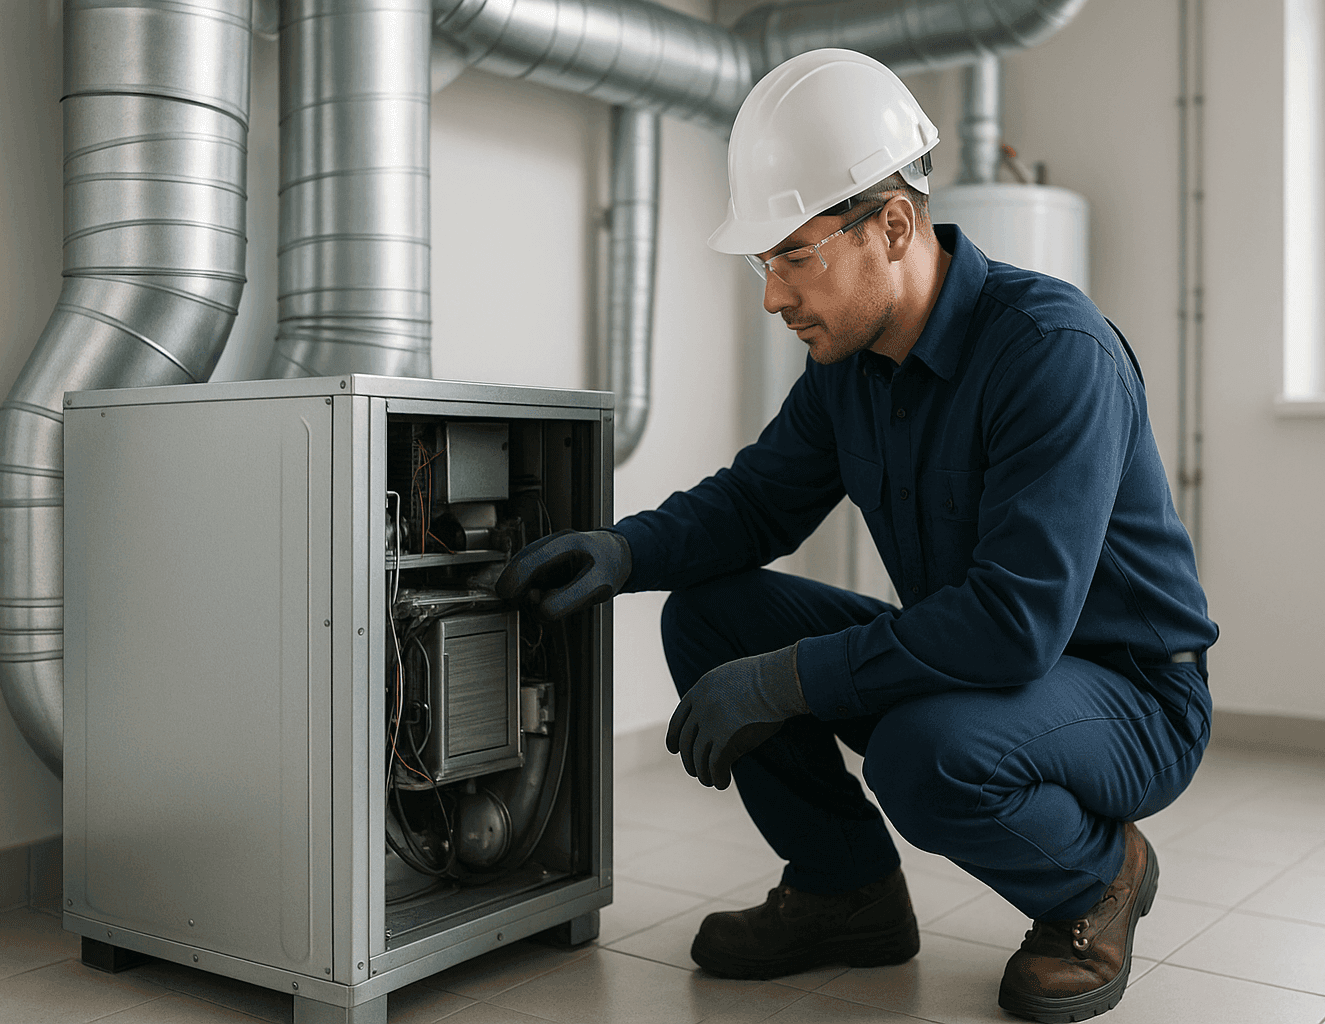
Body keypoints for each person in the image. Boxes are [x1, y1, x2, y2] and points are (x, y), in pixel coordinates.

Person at [497, 47, 1217, 1024]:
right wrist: (623, 551)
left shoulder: (1051, 354)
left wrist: (787, 679)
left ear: (892, 224)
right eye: (766, 264)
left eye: (796, 257)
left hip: (1131, 695)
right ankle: (847, 893)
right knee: (713, 619)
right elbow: (757, 504)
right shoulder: (852, 364)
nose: (773, 297)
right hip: (989, 669)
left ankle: (1098, 876)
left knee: (924, 752)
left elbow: (1014, 624)